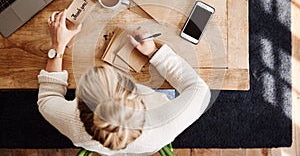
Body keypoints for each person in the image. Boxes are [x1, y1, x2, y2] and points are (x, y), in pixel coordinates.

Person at [38, 10, 211, 155]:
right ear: (138, 99)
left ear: (80, 108)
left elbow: (47, 98)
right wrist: (154, 53)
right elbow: (200, 90)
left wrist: (57, 47)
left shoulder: (73, 123)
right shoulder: (166, 124)